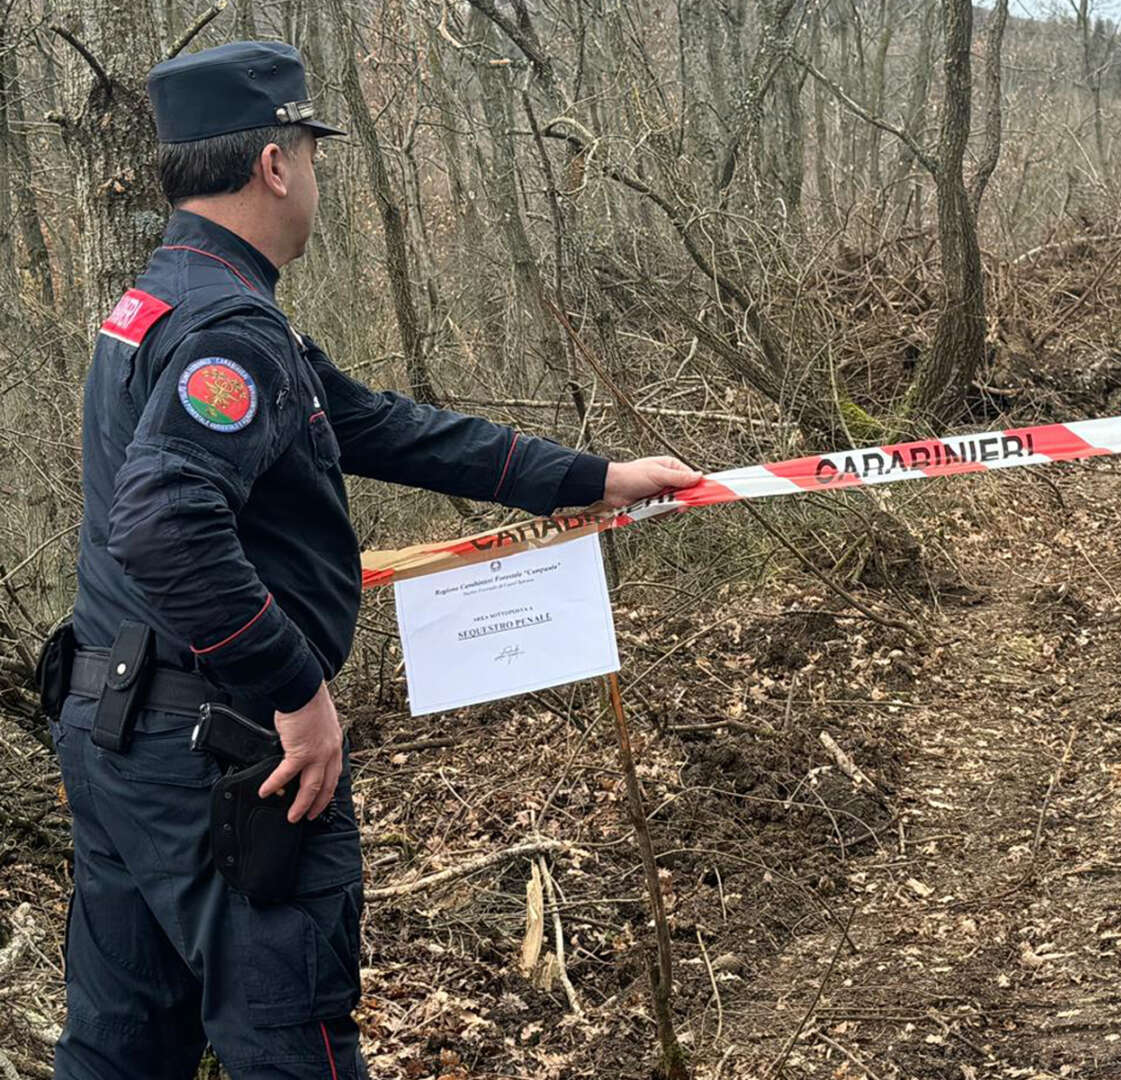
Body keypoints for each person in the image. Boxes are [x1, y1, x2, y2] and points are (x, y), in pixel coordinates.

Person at [45, 40, 699, 1079]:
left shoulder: (162, 306)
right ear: (273, 162)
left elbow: (374, 425)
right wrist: (296, 692)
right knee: (289, 1049)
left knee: (121, 1050)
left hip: (114, 733)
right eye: (308, 152)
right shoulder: (227, 329)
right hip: (224, 760)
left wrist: (591, 476)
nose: (312, 176)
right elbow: (166, 527)